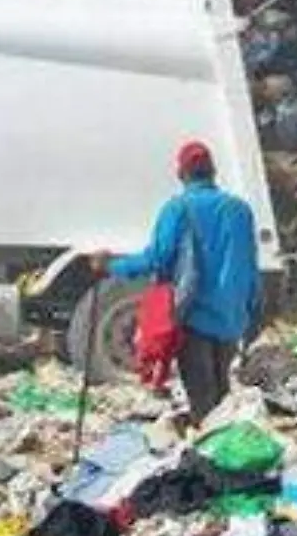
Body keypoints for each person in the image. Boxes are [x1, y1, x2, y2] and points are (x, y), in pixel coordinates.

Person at [93, 141, 261, 426]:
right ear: (213, 171)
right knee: (222, 397)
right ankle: (225, 457)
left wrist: (111, 266)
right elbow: (251, 266)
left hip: (194, 318)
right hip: (232, 321)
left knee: (203, 402)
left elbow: (157, 260)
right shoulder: (240, 210)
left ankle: (209, 459)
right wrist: (253, 314)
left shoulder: (179, 208)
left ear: (181, 173)